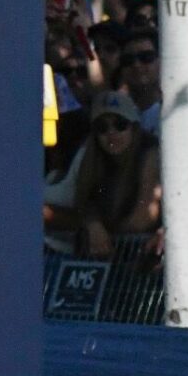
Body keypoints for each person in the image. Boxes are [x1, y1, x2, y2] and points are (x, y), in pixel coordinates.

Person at [48, 90, 160, 258]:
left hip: (145, 263)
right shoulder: (93, 161)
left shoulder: (151, 154)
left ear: (135, 128)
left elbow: (142, 219)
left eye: (120, 124)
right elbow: (85, 204)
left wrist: (104, 235)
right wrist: (92, 223)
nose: (111, 133)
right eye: (102, 127)